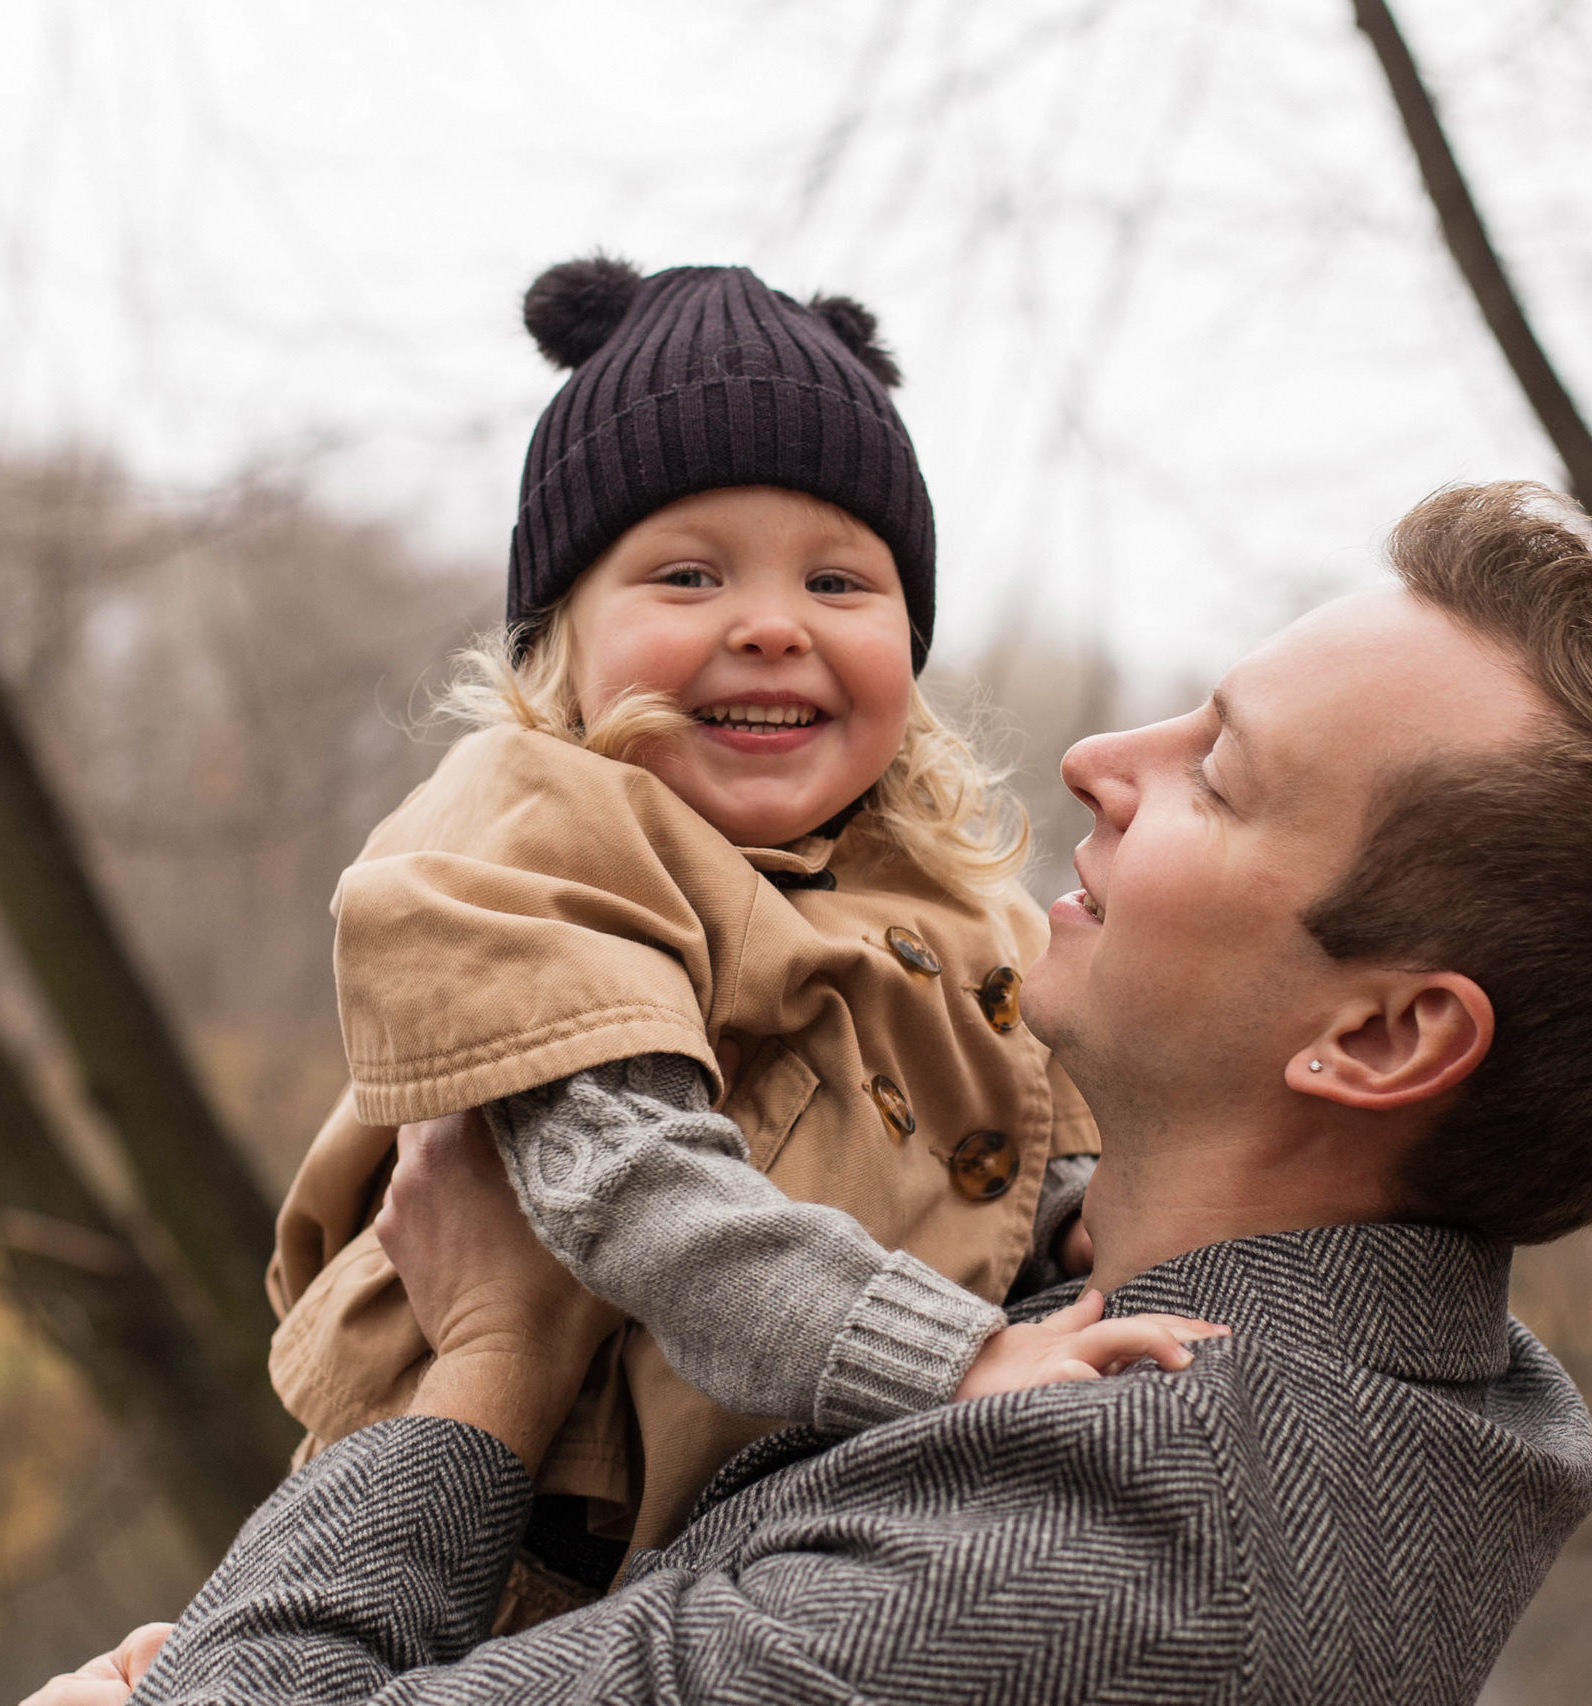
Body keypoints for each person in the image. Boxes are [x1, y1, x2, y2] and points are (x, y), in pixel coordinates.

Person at [26, 480, 1592, 1705]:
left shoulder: (1141, 1544)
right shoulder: (1106, 1291)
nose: (1095, 763)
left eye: (1220, 772)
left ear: (1377, 1041)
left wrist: (492, 1364)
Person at [270, 255, 1207, 1619]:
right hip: (514, 1567)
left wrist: (1088, 1246)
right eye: (689, 574)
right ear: (559, 637)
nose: (770, 625)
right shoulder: (525, 833)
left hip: (796, 1540)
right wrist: (958, 1363)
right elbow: (634, 1189)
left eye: (839, 583)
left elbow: (1029, 1171)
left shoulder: (966, 904)